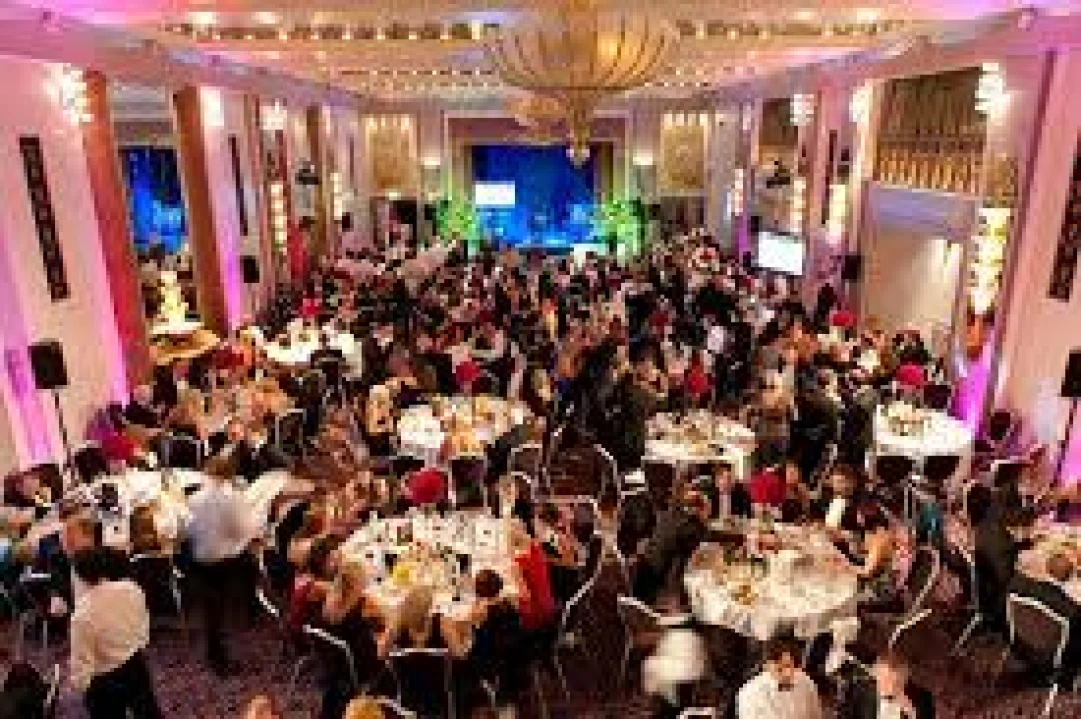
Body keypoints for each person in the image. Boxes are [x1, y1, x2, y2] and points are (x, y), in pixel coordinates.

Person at [69, 548, 162, 719]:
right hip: (135, 664)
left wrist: (82, 687)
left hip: (104, 680)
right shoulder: (131, 588)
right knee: (147, 711)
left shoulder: (82, 614)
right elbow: (143, 625)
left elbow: (82, 664)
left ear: (79, 577)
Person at [185, 457, 257, 675]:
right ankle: (248, 613)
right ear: (229, 475)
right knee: (220, 605)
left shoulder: (193, 498)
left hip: (200, 559)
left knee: (211, 608)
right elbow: (242, 530)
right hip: (226, 561)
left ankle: (215, 648)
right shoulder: (232, 498)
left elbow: (187, 530)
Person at [633, 489, 711, 605]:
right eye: (707, 511)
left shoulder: (669, 515)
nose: (707, 516)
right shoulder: (692, 525)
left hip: (643, 573)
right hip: (660, 586)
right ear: (698, 509)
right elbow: (707, 539)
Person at [736, 635, 823, 719]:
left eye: (790, 666)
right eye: (780, 669)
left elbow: (815, 715)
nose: (787, 673)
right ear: (766, 666)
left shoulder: (806, 681)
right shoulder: (750, 694)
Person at [849, 651, 935, 719]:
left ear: (903, 680)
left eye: (888, 680)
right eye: (879, 676)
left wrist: (912, 713)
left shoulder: (923, 698)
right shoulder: (860, 691)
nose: (882, 684)